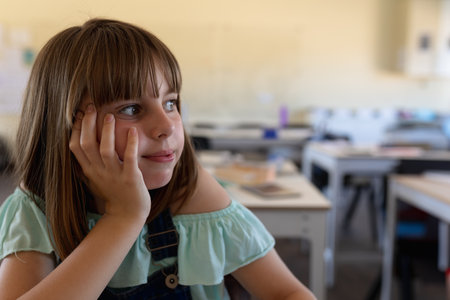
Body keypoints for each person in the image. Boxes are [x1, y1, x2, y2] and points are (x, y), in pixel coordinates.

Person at [0, 18, 316, 300]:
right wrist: (124, 217)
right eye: (131, 109)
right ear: (67, 123)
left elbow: (287, 291)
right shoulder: (35, 207)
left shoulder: (188, 190)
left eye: (170, 102)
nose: (167, 126)